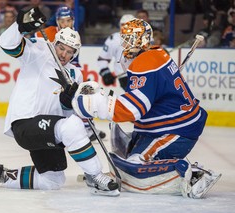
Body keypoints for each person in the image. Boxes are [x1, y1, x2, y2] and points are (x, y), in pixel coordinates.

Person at [72, 18, 221, 199]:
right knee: (128, 155)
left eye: (130, 39)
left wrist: (95, 104)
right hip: (165, 125)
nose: (125, 44)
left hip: (175, 129)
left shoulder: (146, 62)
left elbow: (133, 110)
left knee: (135, 167)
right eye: (125, 39)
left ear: (142, 39)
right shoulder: (155, 54)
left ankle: (194, 175)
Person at [0, 7, 119, 197]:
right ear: (55, 43)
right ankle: (95, 176)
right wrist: (20, 27)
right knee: (71, 126)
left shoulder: (75, 74)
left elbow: (69, 116)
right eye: (61, 47)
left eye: (70, 52)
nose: (64, 54)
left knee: (53, 180)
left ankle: (3, 175)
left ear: (75, 54)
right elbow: (7, 45)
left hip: (47, 130)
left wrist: (69, 104)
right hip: (25, 122)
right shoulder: (38, 50)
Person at [36, 6, 106, 142]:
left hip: (67, 71)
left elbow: (74, 62)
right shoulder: (47, 33)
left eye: (68, 21)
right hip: (49, 72)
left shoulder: (75, 35)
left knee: (82, 95)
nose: (65, 24)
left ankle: (87, 128)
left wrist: (79, 79)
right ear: (57, 21)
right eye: (62, 21)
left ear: (73, 21)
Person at [97, 14, 135, 91]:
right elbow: (103, 59)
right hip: (124, 77)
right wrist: (106, 73)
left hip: (144, 74)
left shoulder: (144, 37)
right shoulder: (114, 39)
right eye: (123, 25)